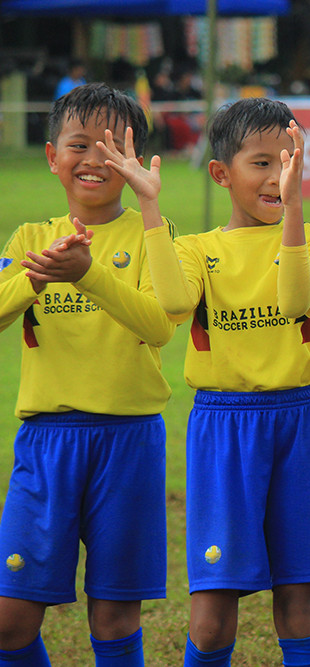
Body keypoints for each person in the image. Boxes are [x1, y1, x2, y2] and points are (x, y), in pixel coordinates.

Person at [100, 98, 310, 667]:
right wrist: (148, 202)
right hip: (224, 426)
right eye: (262, 162)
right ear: (221, 173)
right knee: (212, 614)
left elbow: (295, 300)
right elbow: (169, 303)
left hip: (301, 421)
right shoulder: (195, 249)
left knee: (300, 598)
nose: (277, 175)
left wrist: (292, 207)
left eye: (290, 161)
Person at [0, 83, 176, 666]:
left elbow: (160, 326)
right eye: (80, 145)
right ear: (52, 156)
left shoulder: (153, 234)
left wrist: (89, 273)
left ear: (134, 162)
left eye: (112, 148)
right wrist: (39, 277)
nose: (95, 161)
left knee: (114, 613)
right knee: (10, 618)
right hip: (46, 444)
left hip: (128, 441)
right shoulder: (29, 240)